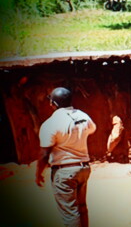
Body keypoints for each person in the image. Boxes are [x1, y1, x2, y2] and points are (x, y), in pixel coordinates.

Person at [35, 87, 96, 227]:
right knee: (81, 208)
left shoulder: (50, 124)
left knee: (70, 213)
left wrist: (38, 173)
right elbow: (92, 129)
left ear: (54, 104)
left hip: (64, 172)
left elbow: (44, 153)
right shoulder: (83, 116)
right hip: (83, 168)